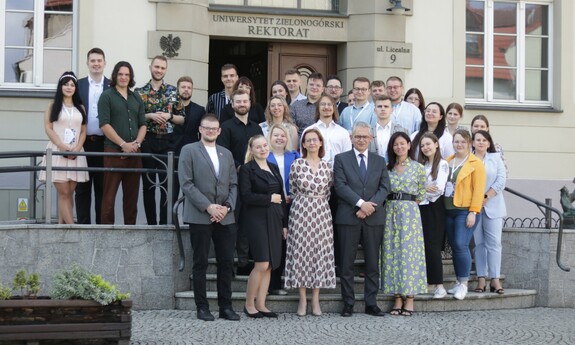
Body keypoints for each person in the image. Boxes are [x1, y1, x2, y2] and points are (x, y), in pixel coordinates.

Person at [178, 114, 239, 322]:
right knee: (200, 263)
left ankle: (226, 307)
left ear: (219, 131)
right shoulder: (189, 150)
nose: (211, 131)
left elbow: (233, 184)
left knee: (226, 263)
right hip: (200, 216)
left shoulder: (226, 154)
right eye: (207, 128)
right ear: (200, 129)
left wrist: (226, 207)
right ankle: (202, 307)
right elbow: (186, 183)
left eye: (214, 128)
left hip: (225, 216)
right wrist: (209, 207)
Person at [334, 122, 390, 317]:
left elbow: (385, 188)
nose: (361, 140)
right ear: (351, 138)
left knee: (372, 263)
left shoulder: (379, 160)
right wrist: (360, 204)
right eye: (358, 136)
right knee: (346, 263)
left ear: (371, 139)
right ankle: (348, 302)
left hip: (373, 218)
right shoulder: (340, 159)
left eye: (365, 137)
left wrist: (368, 207)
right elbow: (340, 186)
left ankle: (371, 303)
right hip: (348, 217)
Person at [284, 128, 336, 316]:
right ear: (303, 144)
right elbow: (293, 189)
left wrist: (317, 201)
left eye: (315, 140)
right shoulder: (297, 164)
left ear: (321, 143)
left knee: (319, 253)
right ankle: (302, 299)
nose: (312, 143)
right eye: (308, 140)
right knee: (301, 253)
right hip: (301, 211)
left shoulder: (327, 166)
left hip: (321, 211)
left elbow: (329, 192)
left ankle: (315, 299)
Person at [239, 135, 287, 318]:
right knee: (262, 262)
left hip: (275, 218)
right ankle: (249, 304)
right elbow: (246, 196)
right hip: (256, 219)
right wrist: (268, 199)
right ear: (251, 150)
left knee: (270, 265)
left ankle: (261, 304)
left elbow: (281, 196)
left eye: (265, 145)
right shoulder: (246, 169)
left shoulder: (273, 168)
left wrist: (285, 224)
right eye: (258, 147)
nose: (262, 149)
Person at [217, 89, 264, 275]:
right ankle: (232, 262)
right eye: (238, 102)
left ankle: (246, 262)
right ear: (232, 104)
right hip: (233, 181)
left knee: (249, 223)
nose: (242, 104)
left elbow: (260, 151)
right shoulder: (226, 127)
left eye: (245, 101)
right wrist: (240, 168)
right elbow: (223, 152)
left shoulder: (257, 128)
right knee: (233, 223)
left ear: (250, 103)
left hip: (254, 183)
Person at [381, 132, 427, 316]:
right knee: (392, 253)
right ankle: (397, 297)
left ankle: (409, 297)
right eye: (395, 144)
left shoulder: (417, 168)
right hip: (390, 211)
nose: (399, 147)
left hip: (409, 213)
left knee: (410, 254)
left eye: (402, 144)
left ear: (409, 145)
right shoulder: (387, 168)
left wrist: (408, 206)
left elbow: (422, 193)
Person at [98, 61, 146, 225]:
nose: (124, 77)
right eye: (120, 74)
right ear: (115, 76)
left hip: (134, 154)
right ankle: (106, 232)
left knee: (132, 198)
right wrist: (123, 144)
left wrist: (136, 144)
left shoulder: (136, 98)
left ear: (130, 77)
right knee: (109, 197)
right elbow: (104, 124)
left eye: (127, 74)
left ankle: (130, 230)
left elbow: (143, 125)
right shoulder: (107, 96)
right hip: (113, 152)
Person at [39, 71, 89, 224]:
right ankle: (74, 229)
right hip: (57, 152)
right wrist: (61, 145)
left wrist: (79, 147)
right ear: (60, 86)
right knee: (64, 193)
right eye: (66, 84)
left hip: (75, 153)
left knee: (69, 193)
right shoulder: (53, 106)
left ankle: (62, 225)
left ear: (76, 88)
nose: (69, 87)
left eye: (72, 85)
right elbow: (48, 128)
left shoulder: (80, 107)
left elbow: (83, 130)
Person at [135, 55, 181, 225]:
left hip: (168, 141)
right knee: (148, 185)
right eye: (156, 67)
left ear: (165, 70)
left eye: (162, 68)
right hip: (148, 140)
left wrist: (170, 116)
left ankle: (164, 224)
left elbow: (182, 119)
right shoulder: (139, 92)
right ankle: (151, 224)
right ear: (150, 67)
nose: (159, 70)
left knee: (167, 186)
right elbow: (134, 117)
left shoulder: (173, 91)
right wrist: (150, 116)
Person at [444, 129, 486, 300]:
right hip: (448, 210)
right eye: (456, 141)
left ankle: (464, 283)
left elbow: (478, 190)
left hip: (465, 210)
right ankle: (458, 281)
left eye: (463, 142)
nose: (459, 145)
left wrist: (473, 212)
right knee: (455, 246)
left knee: (462, 244)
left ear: (469, 144)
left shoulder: (476, 163)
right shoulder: (448, 161)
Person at [75, 48, 110, 224]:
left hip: (105, 144)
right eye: (92, 61)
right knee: (82, 187)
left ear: (105, 63)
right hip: (83, 144)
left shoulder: (112, 85)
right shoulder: (78, 85)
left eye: (99, 60)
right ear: (87, 63)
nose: (96, 64)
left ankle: (101, 227)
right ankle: (83, 225)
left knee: (102, 188)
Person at [266, 124, 300, 296]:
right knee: (276, 244)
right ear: (269, 138)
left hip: (292, 204)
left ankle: (290, 280)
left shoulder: (294, 156)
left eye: (283, 136)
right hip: (271, 206)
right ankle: (273, 283)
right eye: (276, 135)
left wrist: (293, 195)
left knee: (288, 244)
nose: (279, 138)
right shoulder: (265, 156)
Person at [472, 130, 507, 294]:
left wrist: (487, 196)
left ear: (488, 143)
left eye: (484, 140)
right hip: (474, 206)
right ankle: (481, 279)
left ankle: (495, 279)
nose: (481, 142)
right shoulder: (468, 159)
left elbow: (501, 179)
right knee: (479, 244)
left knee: (494, 244)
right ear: (472, 143)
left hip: (492, 204)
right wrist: (477, 200)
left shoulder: (495, 158)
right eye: (477, 140)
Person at [417, 133, 449, 299]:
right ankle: (428, 282)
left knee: (433, 247)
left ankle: (439, 286)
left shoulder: (442, 164)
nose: (426, 147)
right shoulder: (421, 165)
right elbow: (416, 187)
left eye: (428, 144)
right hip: (420, 209)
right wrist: (423, 189)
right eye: (423, 145)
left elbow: (438, 189)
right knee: (422, 247)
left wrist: (421, 191)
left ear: (436, 144)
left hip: (434, 209)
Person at [303, 94, 351, 166]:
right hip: (314, 173)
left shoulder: (343, 132)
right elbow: (303, 155)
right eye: (323, 104)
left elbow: (347, 158)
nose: (326, 107)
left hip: (337, 173)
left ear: (334, 108)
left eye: (329, 104)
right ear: (318, 108)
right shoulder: (309, 131)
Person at [172, 76, 206, 153]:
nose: (186, 89)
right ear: (177, 89)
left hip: (193, 151)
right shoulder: (170, 108)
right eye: (183, 87)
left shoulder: (200, 110)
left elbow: (202, 133)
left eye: (189, 88)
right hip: (172, 150)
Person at [369, 95, 408, 160]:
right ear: (375, 110)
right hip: (373, 168)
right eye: (379, 106)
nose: (383, 109)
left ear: (392, 110)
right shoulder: (368, 132)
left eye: (386, 106)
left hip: (395, 167)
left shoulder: (402, 131)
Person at [291, 72, 325, 138]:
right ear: (307, 86)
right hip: (300, 145)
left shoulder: (328, 107)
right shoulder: (296, 106)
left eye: (318, 85)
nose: (314, 87)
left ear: (322, 89)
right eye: (311, 84)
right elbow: (290, 129)